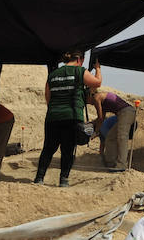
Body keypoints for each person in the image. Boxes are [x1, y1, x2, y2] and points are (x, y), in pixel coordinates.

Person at [33, 52, 102, 187]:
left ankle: (39, 178)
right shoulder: (79, 71)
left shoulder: (53, 74)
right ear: (79, 59)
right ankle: (63, 180)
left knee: (48, 148)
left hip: (53, 116)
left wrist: (56, 109)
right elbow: (97, 83)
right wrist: (98, 69)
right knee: (68, 149)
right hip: (72, 116)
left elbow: (48, 96)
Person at [88, 86, 134, 171]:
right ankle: (111, 163)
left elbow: (100, 118)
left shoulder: (96, 97)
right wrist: (94, 127)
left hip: (126, 112)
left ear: (89, 95)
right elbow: (101, 119)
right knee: (110, 137)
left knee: (122, 137)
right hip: (123, 114)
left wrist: (95, 131)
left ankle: (122, 165)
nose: (88, 103)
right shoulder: (101, 100)